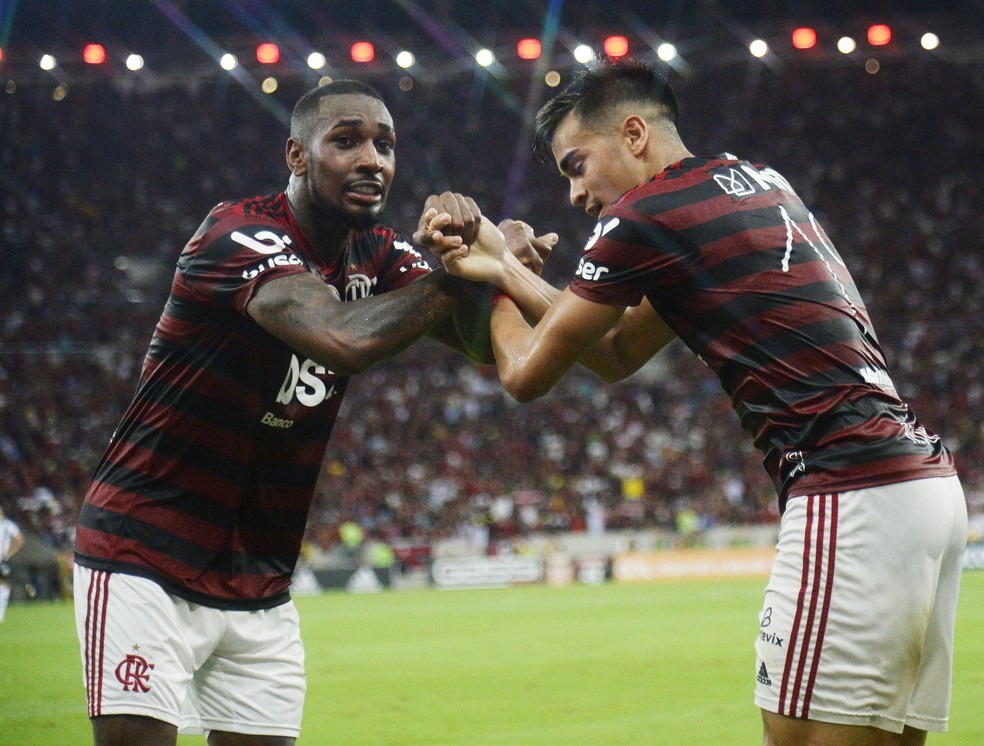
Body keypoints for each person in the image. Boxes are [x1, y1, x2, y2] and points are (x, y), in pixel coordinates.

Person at [424, 60, 967, 746]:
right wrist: (506, 265)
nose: (575, 193)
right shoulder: (759, 181)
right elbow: (617, 350)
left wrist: (492, 283)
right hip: (923, 489)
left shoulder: (641, 216)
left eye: (577, 165)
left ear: (633, 134)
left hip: (848, 488)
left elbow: (526, 373)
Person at [73, 79, 553, 746]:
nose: (372, 160)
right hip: (144, 557)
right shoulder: (238, 233)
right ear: (296, 155)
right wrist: (458, 275)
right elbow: (341, 339)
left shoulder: (378, 253)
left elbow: (479, 342)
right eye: (347, 141)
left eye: (386, 145)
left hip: (259, 578)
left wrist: (498, 269)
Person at [0, 504, 25, 622]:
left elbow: (19, 539)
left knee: (5, 585)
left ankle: (1, 612)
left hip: (2, 560)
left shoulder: (7, 525)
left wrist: (10, 553)